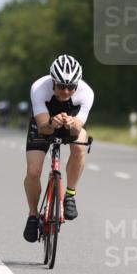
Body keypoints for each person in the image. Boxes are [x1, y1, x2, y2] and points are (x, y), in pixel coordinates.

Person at [23, 54, 94, 242]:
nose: (66, 91)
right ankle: (32, 214)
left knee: (80, 143)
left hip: (71, 123)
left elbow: (79, 127)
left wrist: (72, 124)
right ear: (53, 81)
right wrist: (52, 124)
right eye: (61, 86)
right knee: (33, 170)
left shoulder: (86, 93)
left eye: (71, 87)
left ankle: (70, 195)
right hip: (44, 122)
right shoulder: (39, 88)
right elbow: (42, 127)